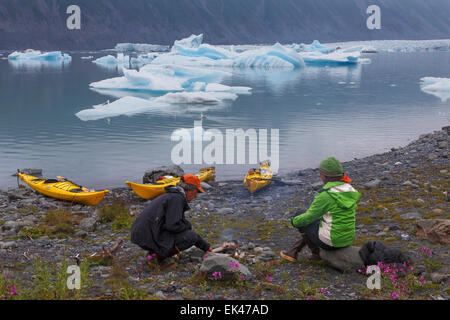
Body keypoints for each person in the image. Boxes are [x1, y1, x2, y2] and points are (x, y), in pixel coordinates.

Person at [280, 157, 361, 262]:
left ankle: (316, 254)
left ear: (325, 176)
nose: (320, 176)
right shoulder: (349, 189)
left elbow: (309, 217)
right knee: (313, 220)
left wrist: (293, 221)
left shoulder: (326, 194)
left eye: (320, 173)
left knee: (301, 216)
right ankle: (293, 252)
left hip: (332, 242)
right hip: (347, 239)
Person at [131, 174, 212, 270]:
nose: (195, 196)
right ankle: (156, 258)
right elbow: (173, 226)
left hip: (143, 233)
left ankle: (155, 253)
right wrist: (188, 227)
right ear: (190, 191)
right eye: (196, 192)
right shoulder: (177, 199)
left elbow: (176, 222)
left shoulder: (173, 196)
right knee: (190, 236)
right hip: (146, 235)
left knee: (187, 232)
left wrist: (206, 247)